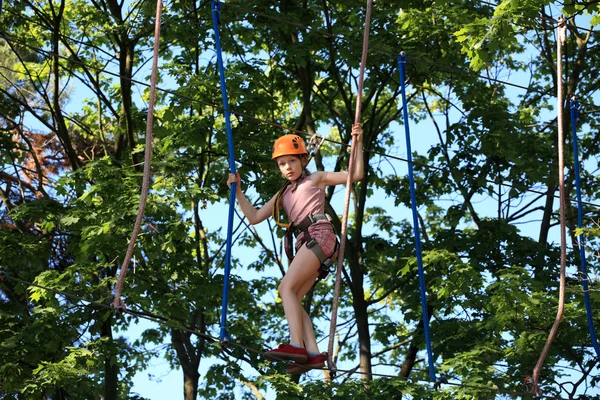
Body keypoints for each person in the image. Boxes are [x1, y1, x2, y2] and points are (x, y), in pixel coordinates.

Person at [227, 124, 363, 374]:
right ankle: (312, 354)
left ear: (303, 159)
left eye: (292, 161)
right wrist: (238, 192)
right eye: (282, 164)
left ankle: (295, 345)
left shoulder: (316, 178)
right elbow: (255, 217)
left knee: (285, 289)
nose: (287, 167)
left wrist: (358, 142)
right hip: (306, 243)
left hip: (319, 236)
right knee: (294, 297)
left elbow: (355, 175)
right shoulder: (282, 194)